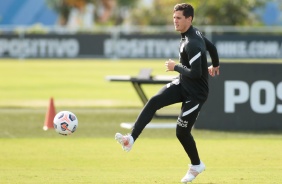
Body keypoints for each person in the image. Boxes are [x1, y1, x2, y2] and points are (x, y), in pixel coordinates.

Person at [115, 3, 220, 183]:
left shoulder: (193, 43)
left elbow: (196, 73)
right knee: (154, 101)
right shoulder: (194, 35)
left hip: (196, 93)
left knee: (181, 132)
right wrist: (215, 65)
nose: (175, 21)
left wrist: (175, 67)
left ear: (189, 19)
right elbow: (212, 47)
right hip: (183, 84)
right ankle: (131, 138)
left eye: (179, 18)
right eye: (174, 18)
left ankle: (196, 165)